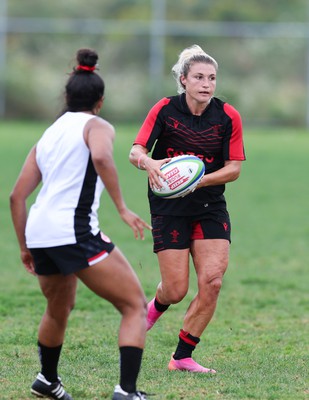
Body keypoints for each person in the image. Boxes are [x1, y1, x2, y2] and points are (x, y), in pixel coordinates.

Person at [10, 48, 151, 400]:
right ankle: (127, 391)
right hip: (72, 231)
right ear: (99, 101)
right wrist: (122, 208)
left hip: (40, 233)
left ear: (67, 96)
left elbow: (16, 197)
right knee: (134, 305)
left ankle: (46, 379)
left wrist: (25, 247)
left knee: (59, 307)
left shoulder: (48, 134)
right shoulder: (97, 125)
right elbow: (102, 155)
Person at [129, 44, 245, 373]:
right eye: (198, 77)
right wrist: (148, 161)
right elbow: (135, 151)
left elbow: (234, 168)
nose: (206, 83)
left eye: (211, 78)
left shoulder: (227, 116)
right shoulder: (165, 110)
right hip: (168, 206)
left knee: (212, 281)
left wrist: (198, 181)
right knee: (177, 289)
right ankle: (152, 308)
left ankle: (181, 356)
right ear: (184, 80)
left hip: (209, 204)